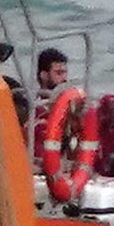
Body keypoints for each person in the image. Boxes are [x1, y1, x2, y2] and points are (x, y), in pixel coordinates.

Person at [31, 48, 92, 193]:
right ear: (44, 75)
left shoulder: (74, 112)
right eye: (58, 73)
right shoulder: (36, 114)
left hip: (73, 174)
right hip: (49, 177)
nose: (64, 79)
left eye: (65, 73)